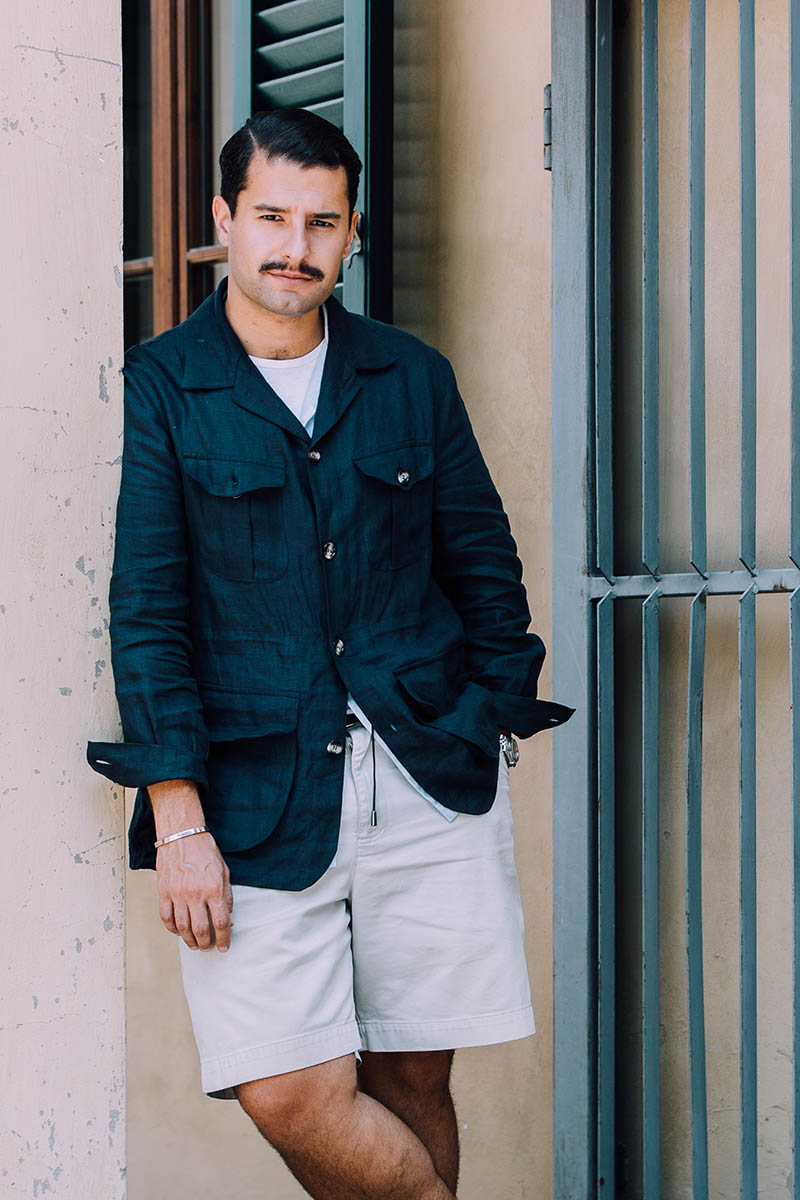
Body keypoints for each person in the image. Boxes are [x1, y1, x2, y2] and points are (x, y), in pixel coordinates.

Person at [88, 107, 573, 1200]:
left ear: (351, 233)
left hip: (423, 767)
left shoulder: (408, 375)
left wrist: (483, 713)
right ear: (222, 218)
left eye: (321, 222)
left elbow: (482, 564)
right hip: (253, 792)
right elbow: (149, 608)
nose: (293, 247)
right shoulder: (167, 385)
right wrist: (178, 816)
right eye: (269, 216)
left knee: (411, 1076)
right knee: (288, 1089)